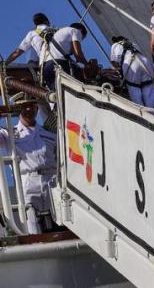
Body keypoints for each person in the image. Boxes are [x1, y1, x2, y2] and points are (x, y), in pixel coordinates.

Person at [0, 101, 55, 234]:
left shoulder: (49, 133)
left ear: (37, 108)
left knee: (59, 221)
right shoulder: (10, 134)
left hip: (52, 182)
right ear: (18, 109)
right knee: (32, 225)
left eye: (32, 105)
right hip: (28, 183)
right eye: (24, 106)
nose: (29, 109)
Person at [109, 36, 154, 108]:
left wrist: (119, 72)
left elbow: (114, 62)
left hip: (130, 64)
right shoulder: (133, 44)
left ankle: (142, 113)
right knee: (148, 88)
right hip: (145, 62)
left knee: (134, 89)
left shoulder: (114, 45)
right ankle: (153, 112)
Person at [39, 22, 89, 88]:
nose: (81, 40)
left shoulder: (56, 34)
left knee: (58, 93)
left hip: (45, 70)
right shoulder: (76, 31)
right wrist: (87, 65)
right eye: (82, 38)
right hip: (58, 65)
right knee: (84, 82)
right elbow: (78, 55)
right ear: (81, 30)